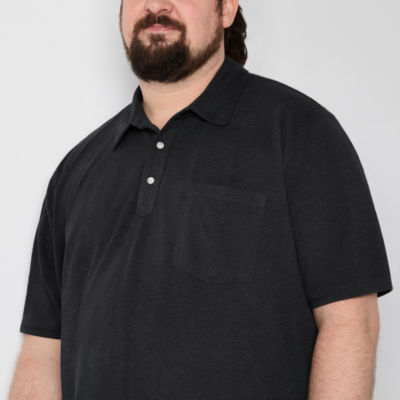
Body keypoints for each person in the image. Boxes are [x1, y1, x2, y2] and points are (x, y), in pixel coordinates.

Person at [9, 0, 394, 399]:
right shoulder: (76, 170)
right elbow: (43, 348)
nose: (156, 4)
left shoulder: (300, 134)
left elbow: (350, 321)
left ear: (226, 10)